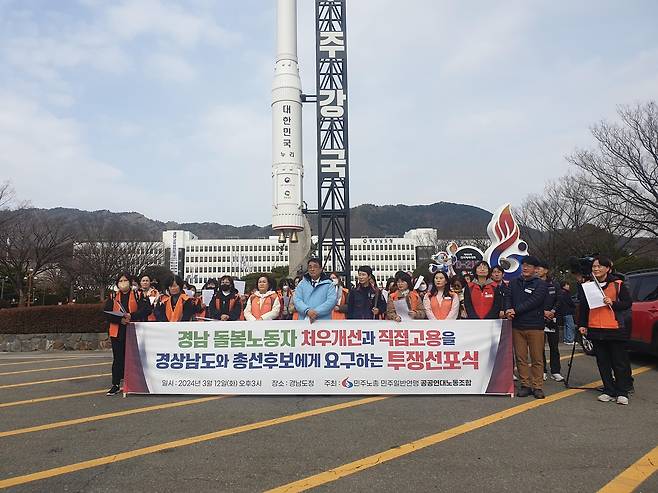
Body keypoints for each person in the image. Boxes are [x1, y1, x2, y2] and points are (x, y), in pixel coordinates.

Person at [578, 257, 633, 405]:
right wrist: (582, 324)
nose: (596, 269)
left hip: (615, 328)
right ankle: (609, 390)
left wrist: (613, 303)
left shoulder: (618, 284)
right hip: (595, 327)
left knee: (619, 362)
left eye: (600, 266)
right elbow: (584, 307)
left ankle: (622, 391)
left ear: (608, 268)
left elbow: (628, 304)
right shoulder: (588, 285)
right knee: (602, 362)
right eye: (594, 267)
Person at [505, 256, 549, 399]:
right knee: (521, 357)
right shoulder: (513, 283)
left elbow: (534, 301)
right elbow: (508, 298)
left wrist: (515, 310)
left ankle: (537, 386)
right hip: (517, 326)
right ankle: (525, 385)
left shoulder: (541, 284)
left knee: (537, 358)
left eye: (528, 265)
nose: (525, 267)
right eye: (523, 265)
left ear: (536, 269)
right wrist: (508, 310)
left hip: (535, 326)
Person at [104, 272, 149, 396]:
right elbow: (107, 313)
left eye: (125, 280)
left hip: (134, 330)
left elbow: (146, 309)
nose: (123, 283)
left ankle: (135, 382)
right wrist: (120, 320)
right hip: (117, 331)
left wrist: (132, 316)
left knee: (134, 357)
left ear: (130, 282)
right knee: (118, 358)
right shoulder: (113, 296)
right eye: (120, 281)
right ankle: (115, 384)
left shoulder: (138, 294)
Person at [536, 260, 564, 382]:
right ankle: (542, 370)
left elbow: (559, 300)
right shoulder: (533, 283)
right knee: (539, 347)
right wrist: (542, 312)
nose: (537, 270)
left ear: (546, 270)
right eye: (536, 268)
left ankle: (556, 371)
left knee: (554, 346)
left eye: (540, 268)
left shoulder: (554, 284)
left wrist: (552, 311)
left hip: (552, 319)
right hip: (537, 318)